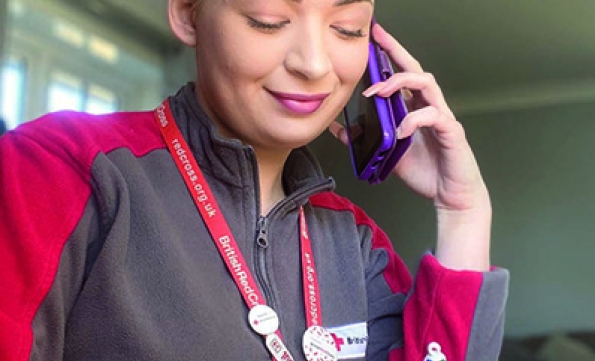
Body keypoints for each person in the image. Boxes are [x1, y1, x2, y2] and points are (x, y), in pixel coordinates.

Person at [0, 0, 509, 360]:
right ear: (187, 12)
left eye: (348, 28)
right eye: (268, 21)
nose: (313, 64)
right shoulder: (60, 169)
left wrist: (462, 211)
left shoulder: (356, 245)